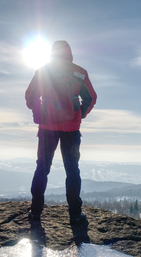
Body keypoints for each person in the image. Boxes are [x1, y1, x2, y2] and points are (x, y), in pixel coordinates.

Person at [25, 40, 97, 224]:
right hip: (71, 129)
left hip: (47, 128)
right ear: (70, 54)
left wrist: (40, 114)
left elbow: (30, 96)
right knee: (72, 169)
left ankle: (35, 211)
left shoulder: (43, 71)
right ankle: (74, 213)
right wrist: (79, 114)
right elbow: (91, 97)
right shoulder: (79, 72)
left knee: (42, 166)